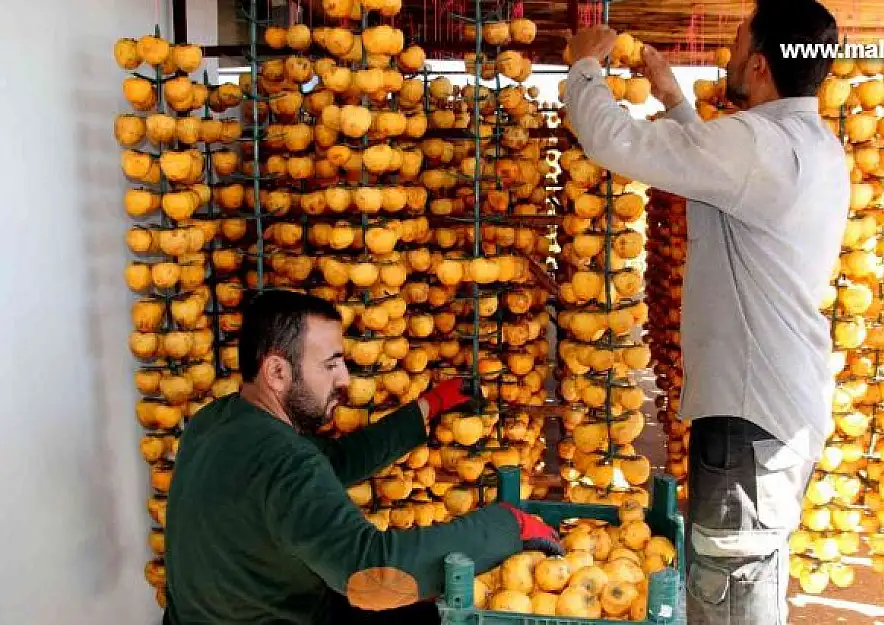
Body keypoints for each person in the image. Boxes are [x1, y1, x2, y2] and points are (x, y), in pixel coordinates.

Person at [563, 1, 848, 623]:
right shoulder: (815, 146)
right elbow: (722, 171)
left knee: (730, 584)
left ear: (760, 63)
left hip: (749, 415)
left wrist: (583, 68)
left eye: (738, 41)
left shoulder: (754, 144)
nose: (728, 54)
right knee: (752, 568)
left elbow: (615, 141)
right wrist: (676, 105)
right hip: (778, 400)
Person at [162, 289, 562, 624]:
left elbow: (330, 463)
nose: (345, 380)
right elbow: (371, 576)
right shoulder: (285, 462)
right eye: (330, 365)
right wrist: (506, 525)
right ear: (277, 372)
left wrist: (425, 409)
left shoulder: (215, 422)